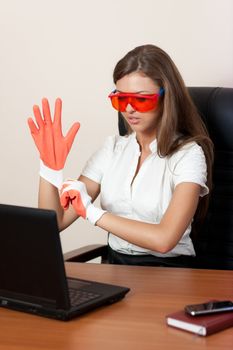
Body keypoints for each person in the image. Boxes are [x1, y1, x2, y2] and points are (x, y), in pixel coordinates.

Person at [27, 44, 214, 267]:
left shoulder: (188, 155)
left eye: (141, 99)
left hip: (169, 272)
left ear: (167, 98)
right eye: (120, 99)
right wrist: (49, 168)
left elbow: (165, 239)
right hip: (116, 269)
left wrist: (92, 212)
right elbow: (56, 221)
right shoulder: (112, 149)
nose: (129, 109)